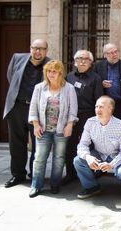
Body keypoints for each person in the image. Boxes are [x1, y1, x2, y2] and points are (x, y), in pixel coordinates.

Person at [3, 39, 50, 188]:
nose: (38, 52)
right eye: (35, 48)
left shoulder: (50, 64)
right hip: (17, 107)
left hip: (38, 111)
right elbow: (11, 77)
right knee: (16, 144)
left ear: (46, 51)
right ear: (30, 48)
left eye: (42, 49)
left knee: (38, 144)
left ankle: (34, 175)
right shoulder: (17, 58)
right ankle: (18, 175)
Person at [28, 60, 78, 197]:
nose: (51, 74)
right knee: (39, 158)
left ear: (60, 73)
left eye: (54, 71)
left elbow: (73, 110)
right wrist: (36, 125)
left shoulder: (69, 88)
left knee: (59, 158)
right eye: (48, 71)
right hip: (43, 129)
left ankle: (55, 184)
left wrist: (69, 125)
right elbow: (33, 109)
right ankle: (36, 185)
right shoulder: (39, 88)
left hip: (61, 130)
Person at [73, 96, 121, 199]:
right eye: (96, 106)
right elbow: (83, 144)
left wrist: (111, 165)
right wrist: (88, 157)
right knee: (78, 161)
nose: (98, 110)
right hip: (98, 154)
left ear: (110, 109)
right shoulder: (90, 122)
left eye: (101, 107)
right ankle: (92, 187)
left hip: (115, 156)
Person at [65, 50, 103, 184]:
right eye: (79, 58)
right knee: (70, 145)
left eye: (85, 59)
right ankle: (70, 173)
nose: (82, 61)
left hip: (88, 115)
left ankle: (91, 172)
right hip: (71, 116)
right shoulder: (69, 77)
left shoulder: (96, 78)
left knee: (90, 145)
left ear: (91, 62)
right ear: (75, 61)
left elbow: (99, 100)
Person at [94, 43, 121, 124]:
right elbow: (92, 82)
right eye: (111, 53)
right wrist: (101, 84)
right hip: (105, 105)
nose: (114, 54)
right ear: (105, 55)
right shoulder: (98, 66)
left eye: (116, 52)